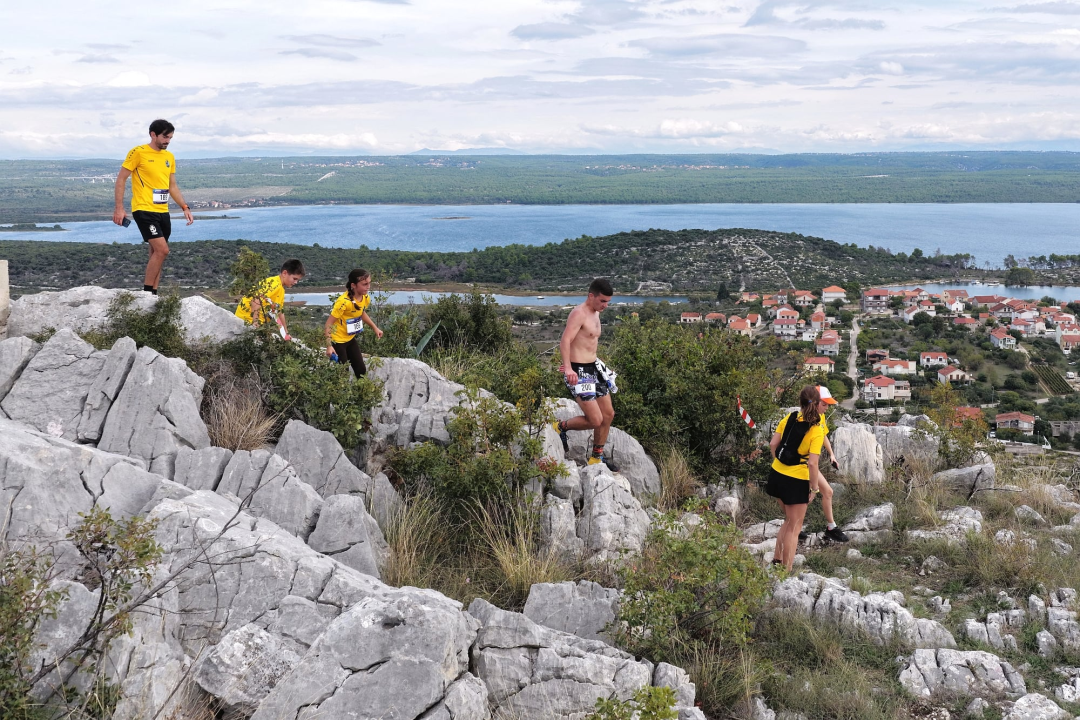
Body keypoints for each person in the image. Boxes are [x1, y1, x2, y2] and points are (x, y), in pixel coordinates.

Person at [113, 119, 194, 294]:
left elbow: (172, 186)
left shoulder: (169, 157)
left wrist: (184, 207)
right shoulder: (138, 152)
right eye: (165, 137)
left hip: (163, 211)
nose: (168, 141)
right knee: (163, 250)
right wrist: (119, 208)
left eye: (170, 138)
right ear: (153, 134)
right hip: (144, 209)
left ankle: (153, 295)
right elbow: (121, 179)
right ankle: (147, 293)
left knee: (156, 254)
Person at [553, 278, 619, 471]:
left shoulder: (595, 312)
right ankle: (560, 427)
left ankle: (596, 458)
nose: (605, 306)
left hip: (593, 368)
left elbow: (587, 344)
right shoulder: (579, 313)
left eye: (608, 302)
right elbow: (565, 341)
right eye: (602, 301)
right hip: (578, 371)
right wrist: (568, 367)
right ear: (591, 296)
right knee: (595, 420)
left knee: (608, 414)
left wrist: (602, 367)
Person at [766, 385, 833, 571]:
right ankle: (786, 572)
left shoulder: (790, 417)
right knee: (795, 528)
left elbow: (773, 443)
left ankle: (777, 561)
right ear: (818, 403)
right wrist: (813, 488)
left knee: (788, 521)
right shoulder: (817, 429)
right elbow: (812, 464)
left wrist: (778, 463)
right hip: (795, 481)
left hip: (776, 475)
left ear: (801, 402)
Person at [324, 269, 383, 377]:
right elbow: (328, 323)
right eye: (365, 284)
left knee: (361, 370)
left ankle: (361, 393)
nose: (368, 286)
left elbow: (361, 313)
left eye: (369, 283)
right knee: (343, 374)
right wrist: (329, 345)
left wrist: (375, 328)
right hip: (338, 341)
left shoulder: (365, 297)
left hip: (350, 339)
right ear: (353, 285)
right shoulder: (343, 302)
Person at [235, 259, 306, 339]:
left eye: (297, 280)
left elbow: (279, 312)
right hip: (245, 322)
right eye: (294, 278)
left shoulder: (280, 289)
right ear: (284, 273)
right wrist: (255, 324)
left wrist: (286, 333)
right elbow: (256, 300)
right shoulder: (273, 284)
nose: (296, 282)